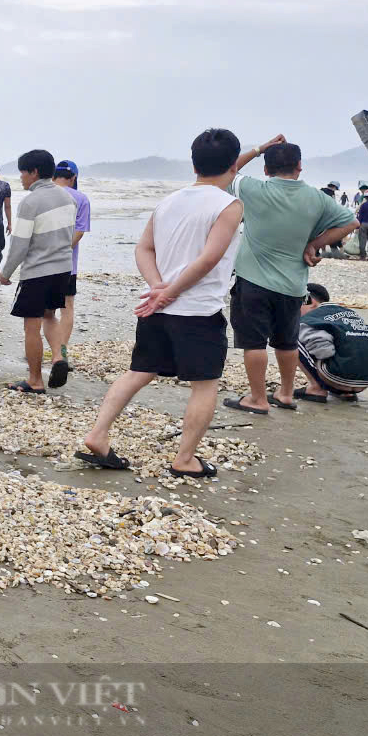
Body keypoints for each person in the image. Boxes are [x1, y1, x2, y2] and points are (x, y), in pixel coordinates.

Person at [81, 128, 245, 478]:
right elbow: (209, 259)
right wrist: (167, 291)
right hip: (197, 310)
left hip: (155, 307)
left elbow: (143, 249)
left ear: (193, 163)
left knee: (138, 372)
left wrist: (157, 288)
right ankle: (185, 459)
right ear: (234, 166)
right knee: (205, 384)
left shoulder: (169, 200)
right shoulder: (229, 205)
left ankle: (98, 433)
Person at [222, 139, 358, 414]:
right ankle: (285, 394)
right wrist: (314, 244)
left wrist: (261, 147)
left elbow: (228, 170)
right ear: (299, 166)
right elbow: (350, 222)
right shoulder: (316, 198)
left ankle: (258, 399)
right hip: (293, 284)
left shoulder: (253, 188)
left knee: (254, 342)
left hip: (253, 280)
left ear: (266, 169)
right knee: (286, 341)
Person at [0, 149, 76, 393]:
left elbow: (20, 244)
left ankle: (35, 380)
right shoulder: (67, 198)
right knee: (50, 316)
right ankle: (58, 358)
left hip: (38, 271)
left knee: (31, 325)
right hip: (63, 268)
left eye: (23, 172)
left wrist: (5, 273)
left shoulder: (30, 202)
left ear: (34, 172)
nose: (21, 177)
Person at [294, 283, 368, 403]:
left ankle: (316, 388)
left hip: (337, 377)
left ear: (311, 302)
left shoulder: (312, 318)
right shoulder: (349, 313)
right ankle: (346, 393)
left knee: (290, 336)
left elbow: (324, 352)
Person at [51, 160, 90, 382]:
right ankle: (61, 353)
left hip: (43, 263)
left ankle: (49, 351)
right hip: (68, 265)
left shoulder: (45, 195)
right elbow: (80, 230)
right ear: (74, 177)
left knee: (45, 311)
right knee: (67, 307)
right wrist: (65, 250)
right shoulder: (81, 198)